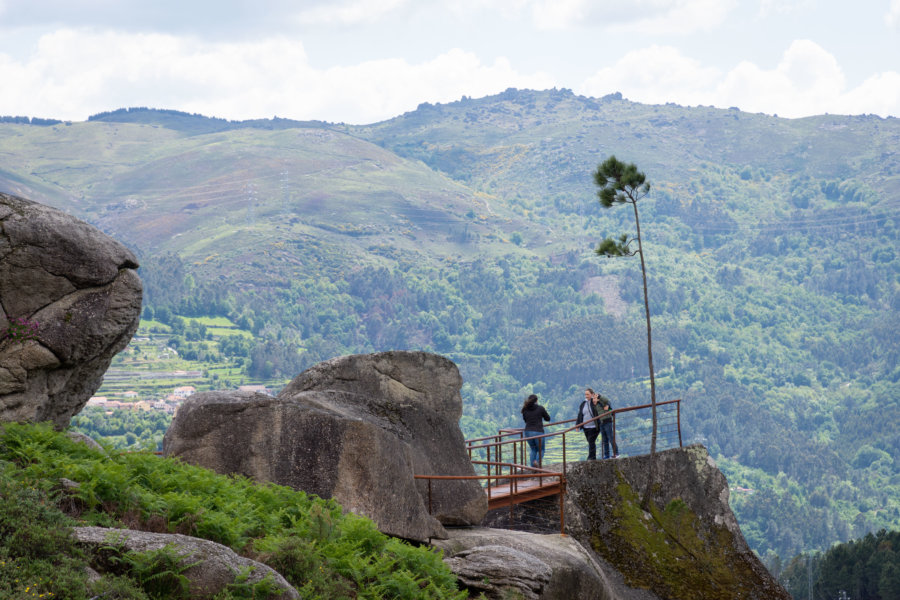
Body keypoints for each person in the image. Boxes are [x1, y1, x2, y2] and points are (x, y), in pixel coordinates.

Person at [521, 394, 551, 468]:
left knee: (533, 449)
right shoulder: (540, 408)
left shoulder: (525, 409)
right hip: (538, 432)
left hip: (528, 432)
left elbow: (525, 420)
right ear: (536, 401)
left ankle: (533, 468)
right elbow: (548, 418)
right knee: (541, 450)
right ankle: (536, 462)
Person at [575, 388, 600, 460]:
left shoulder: (594, 401)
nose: (586, 396)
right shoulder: (583, 403)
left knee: (591, 440)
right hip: (586, 427)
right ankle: (592, 457)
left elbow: (601, 400)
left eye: (588, 394)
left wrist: (595, 397)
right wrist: (577, 425)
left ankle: (591, 458)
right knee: (590, 441)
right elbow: (580, 414)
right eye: (585, 394)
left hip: (594, 426)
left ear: (592, 394)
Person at [597, 393, 619, 459]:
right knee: (605, 440)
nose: (594, 400)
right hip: (601, 423)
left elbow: (609, 407)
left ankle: (616, 453)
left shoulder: (603, 402)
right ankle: (607, 455)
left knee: (611, 438)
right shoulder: (595, 406)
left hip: (607, 421)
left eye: (595, 398)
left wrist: (600, 397)